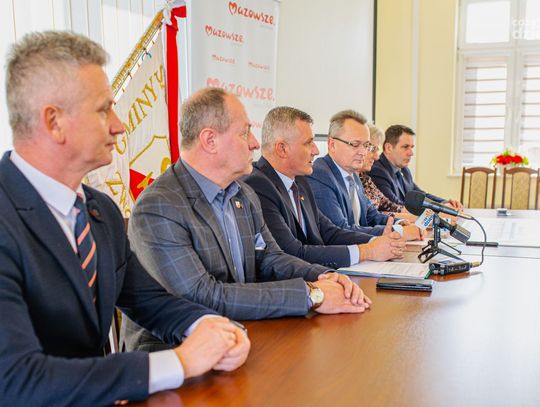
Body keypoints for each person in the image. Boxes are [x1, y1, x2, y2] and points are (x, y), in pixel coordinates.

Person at [0, 31, 250, 406]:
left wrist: (213, 328)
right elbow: (17, 380)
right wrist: (180, 362)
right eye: (104, 110)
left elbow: (150, 301)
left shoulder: (100, 211)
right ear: (54, 121)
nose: (119, 125)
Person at [122, 88, 370, 352]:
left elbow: (270, 258)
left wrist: (325, 276)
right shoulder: (159, 206)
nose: (254, 143)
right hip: (178, 352)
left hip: (244, 332)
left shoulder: (243, 193)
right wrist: (311, 294)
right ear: (210, 140)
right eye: (244, 133)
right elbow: (202, 296)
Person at [244, 106, 405, 269]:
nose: (315, 150)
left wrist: (376, 242)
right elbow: (292, 253)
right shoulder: (258, 185)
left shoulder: (300, 180)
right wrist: (367, 251)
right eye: (308, 143)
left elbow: (329, 231)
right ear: (282, 148)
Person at [306, 110, 422, 240]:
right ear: (332, 145)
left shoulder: (354, 176)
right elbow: (340, 231)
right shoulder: (320, 175)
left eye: (366, 145)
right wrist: (398, 231)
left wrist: (400, 223)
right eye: (355, 145)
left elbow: (371, 215)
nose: (363, 152)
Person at [367, 124, 463, 209]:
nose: (411, 153)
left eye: (411, 147)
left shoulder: (404, 170)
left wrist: (444, 203)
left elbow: (421, 196)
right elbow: (395, 205)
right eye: (405, 147)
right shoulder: (376, 171)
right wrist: (439, 209)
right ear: (389, 148)